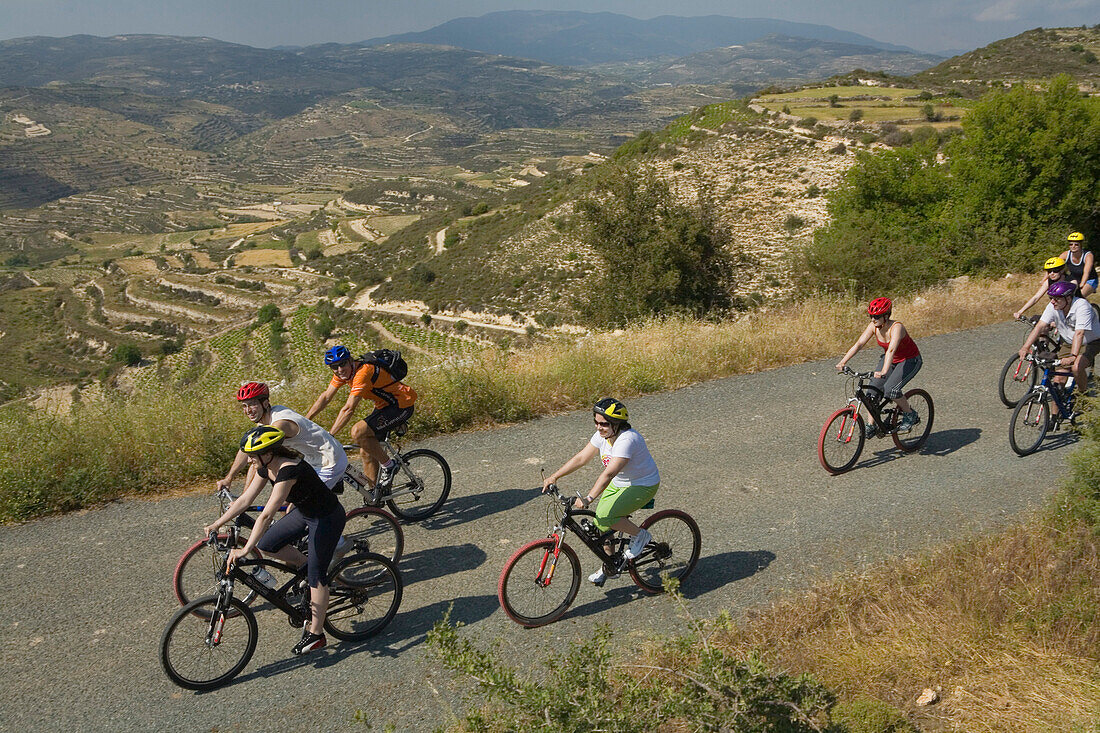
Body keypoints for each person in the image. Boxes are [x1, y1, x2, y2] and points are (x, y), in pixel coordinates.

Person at [204, 425, 348, 656]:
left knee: (316, 577)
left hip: (326, 517)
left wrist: (245, 549)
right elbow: (244, 500)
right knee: (268, 545)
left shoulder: (288, 469)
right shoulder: (266, 468)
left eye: (253, 456)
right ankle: (306, 568)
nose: (250, 461)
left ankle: (317, 634)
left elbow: (267, 514)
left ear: (269, 453)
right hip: (304, 512)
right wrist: (217, 523)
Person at [541, 398, 659, 587]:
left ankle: (640, 535)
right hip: (620, 483)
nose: (599, 427)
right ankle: (610, 565)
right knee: (601, 526)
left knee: (606, 517)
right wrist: (555, 476)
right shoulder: (603, 436)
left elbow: (609, 473)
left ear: (617, 424)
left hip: (642, 484)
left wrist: (588, 498)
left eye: (604, 424)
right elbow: (581, 458)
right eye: (596, 422)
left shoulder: (627, 440)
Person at [305, 346, 416, 491]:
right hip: (384, 406)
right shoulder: (343, 374)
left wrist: (330, 435)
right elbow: (326, 397)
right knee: (366, 450)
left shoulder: (363, 372)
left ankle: (389, 466)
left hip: (402, 405)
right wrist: (305, 420)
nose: (339, 369)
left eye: (342, 364)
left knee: (358, 432)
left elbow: (348, 409)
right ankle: (374, 494)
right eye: (334, 366)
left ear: (351, 360)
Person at [219, 381, 349, 493]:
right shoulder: (266, 418)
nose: (248, 410)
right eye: (244, 406)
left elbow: (255, 456)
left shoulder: (280, 424)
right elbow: (246, 449)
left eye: (252, 404)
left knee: (300, 507)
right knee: (285, 498)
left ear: (265, 403)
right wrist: (229, 477)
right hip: (312, 459)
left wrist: (243, 498)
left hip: (329, 461)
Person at [835, 297, 923, 435]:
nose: (873, 319)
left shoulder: (897, 327)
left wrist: (883, 371)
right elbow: (859, 344)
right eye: (871, 316)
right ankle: (872, 424)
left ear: (886, 316)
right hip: (891, 360)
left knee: (890, 390)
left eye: (876, 316)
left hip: (909, 360)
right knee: (872, 392)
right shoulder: (873, 327)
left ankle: (910, 414)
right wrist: (843, 361)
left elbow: (891, 350)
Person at [1018, 279, 1100, 399]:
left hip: (1090, 342)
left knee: (1076, 367)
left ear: (1068, 298)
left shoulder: (1082, 306)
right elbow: (1040, 326)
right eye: (1051, 298)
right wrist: (1025, 347)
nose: (1052, 301)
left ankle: (1083, 396)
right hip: (1069, 342)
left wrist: (1073, 356)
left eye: (1056, 299)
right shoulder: (1053, 306)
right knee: (1058, 381)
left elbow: (1079, 333)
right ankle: (1054, 417)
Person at [1060, 232, 1095, 297]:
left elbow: (1086, 272)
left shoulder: (1088, 256)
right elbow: (1054, 264)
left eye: (1076, 244)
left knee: (1078, 297)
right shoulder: (1066, 254)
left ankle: (1087, 306)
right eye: (1071, 244)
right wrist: (1044, 279)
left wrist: (1082, 284)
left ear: (1081, 245)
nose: (1073, 246)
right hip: (1075, 280)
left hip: (1089, 280)